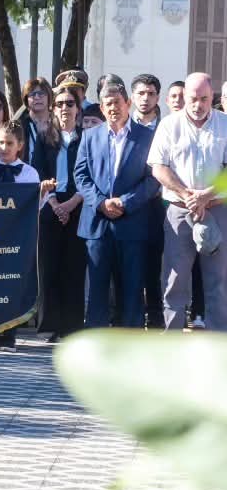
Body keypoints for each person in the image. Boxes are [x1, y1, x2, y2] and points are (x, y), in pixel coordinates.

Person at [76, 81, 159, 332]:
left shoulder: (147, 137)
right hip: (97, 225)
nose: (113, 108)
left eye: (117, 103)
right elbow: (81, 176)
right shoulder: (90, 137)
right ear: (101, 108)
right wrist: (101, 202)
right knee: (97, 292)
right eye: (108, 104)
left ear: (128, 104)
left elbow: (153, 178)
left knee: (132, 290)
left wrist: (125, 202)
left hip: (132, 224)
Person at [147, 73, 227, 332]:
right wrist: (187, 195)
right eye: (193, 98)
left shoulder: (225, 124)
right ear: (185, 97)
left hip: (218, 210)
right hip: (180, 213)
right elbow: (158, 168)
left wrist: (206, 195)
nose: (198, 104)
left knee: (219, 282)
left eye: (204, 99)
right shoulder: (169, 125)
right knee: (174, 281)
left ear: (211, 96)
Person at [0, 120, 43, 350]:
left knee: (11, 286)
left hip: (16, 238)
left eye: (10, 143)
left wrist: (41, 194)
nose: (5, 147)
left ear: (20, 145)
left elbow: (35, 207)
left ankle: (9, 335)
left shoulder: (29, 174)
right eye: (1, 142)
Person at [37, 85, 87, 341]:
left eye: (70, 103)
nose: (64, 108)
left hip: (79, 206)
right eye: (59, 104)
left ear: (78, 108)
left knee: (74, 268)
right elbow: (39, 172)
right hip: (51, 205)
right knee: (51, 268)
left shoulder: (88, 138)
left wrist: (72, 203)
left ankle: (72, 326)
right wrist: (56, 203)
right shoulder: (44, 137)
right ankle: (52, 325)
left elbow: (91, 176)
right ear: (53, 108)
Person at [130, 74, 167, 328]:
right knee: (129, 268)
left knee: (154, 267)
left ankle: (154, 319)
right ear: (132, 97)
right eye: (141, 93)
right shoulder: (123, 127)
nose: (145, 98)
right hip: (128, 206)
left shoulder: (167, 127)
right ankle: (127, 318)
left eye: (151, 94)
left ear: (158, 97)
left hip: (156, 206)